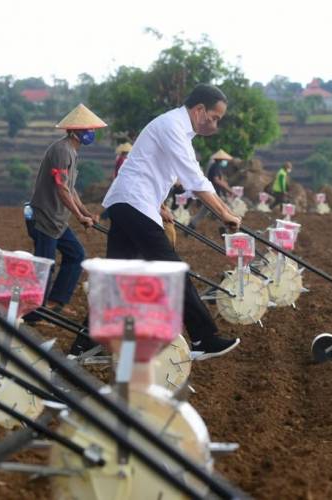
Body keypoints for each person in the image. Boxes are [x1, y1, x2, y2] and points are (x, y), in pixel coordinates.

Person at [102, 84, 241, 360]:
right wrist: (224, 213)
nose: (214, 124)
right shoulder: (173, 127)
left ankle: (82, 345)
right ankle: (204, 337)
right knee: (173, 271)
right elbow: (194, 178)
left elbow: (157, 171)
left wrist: (159, 204)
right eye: (214, 117)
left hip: (129, 202)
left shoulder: (175, 128)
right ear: (199, 110)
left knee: (118, 278)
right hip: (133, 203)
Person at [24, 104, 105, 320]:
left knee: (76, 255)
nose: (92, 133)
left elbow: (70, 188)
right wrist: (79, 217)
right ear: (76, 131)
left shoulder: (71, 151)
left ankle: (55, 302)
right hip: (45, 217)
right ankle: (32, 315)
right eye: (88, 129)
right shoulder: (62, 150)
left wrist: (85, 212)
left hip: (57, 219)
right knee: (44, 267)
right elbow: (61, 187)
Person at [188, 149, 233, 230]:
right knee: (220, 210)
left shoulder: (217, 167)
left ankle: (191, 226)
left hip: (213, 193)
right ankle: (223, 228)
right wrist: (229, 190)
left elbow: (220, 180)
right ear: (221, 159)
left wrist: (226, 187)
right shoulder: (215, 166)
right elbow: (216, 180)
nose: (225, 161)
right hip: (212, 194)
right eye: (224, 160)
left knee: (208, 212)